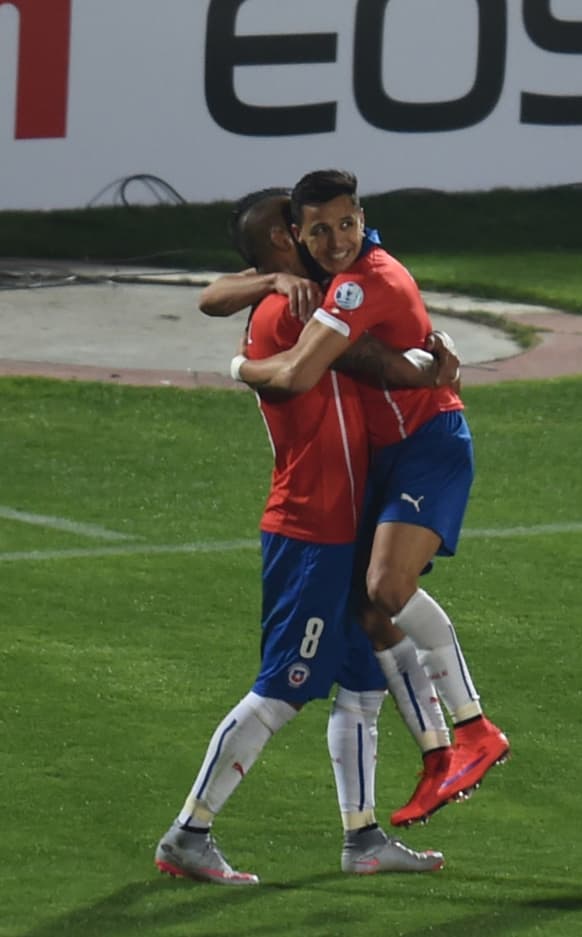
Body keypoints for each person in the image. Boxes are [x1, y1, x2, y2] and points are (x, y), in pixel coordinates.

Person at [154, 189, 447, 884]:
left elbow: (366, 359)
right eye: (300, 228)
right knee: (284, 685)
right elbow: (295, 359)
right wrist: (432, 371)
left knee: (361, 683)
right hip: (310, 527)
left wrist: (426, 367)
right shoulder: (288, 311)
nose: (320, 235)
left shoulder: (314, 300)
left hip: (342, 525)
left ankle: (364, 837)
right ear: (283, 241)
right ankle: (189, 831)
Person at [232, 170, 509, 827]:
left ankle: (472, 726)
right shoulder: (331, 280)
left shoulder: (360, 281)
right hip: (389, 455)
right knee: (371, 610)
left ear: (363, 217)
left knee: (386, 586)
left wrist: (237, 368)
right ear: (295, 235)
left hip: (425, 444)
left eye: (345, 224)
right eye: (320, 230)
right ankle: (438, 756)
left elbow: (302, 371)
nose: (335, 240)